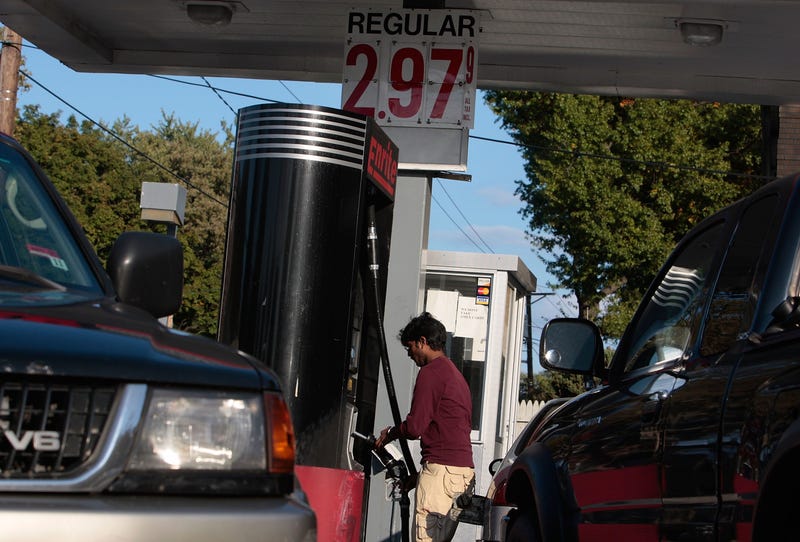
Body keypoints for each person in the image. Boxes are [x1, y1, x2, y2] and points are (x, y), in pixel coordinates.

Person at [375, 312, 474, 542]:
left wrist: (390, 434)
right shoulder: (455, 375)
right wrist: (420, 477)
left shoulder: (431, 373)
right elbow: (448, 435)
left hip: (442, 476)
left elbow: (415, 427)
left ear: (422, 341)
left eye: (410, 347)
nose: (409, 354)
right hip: (461, 477)